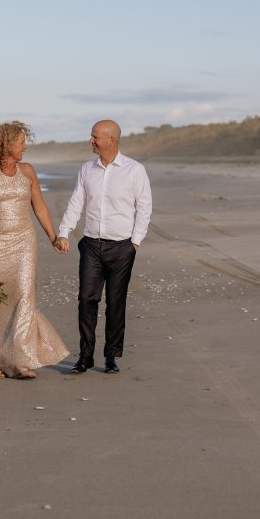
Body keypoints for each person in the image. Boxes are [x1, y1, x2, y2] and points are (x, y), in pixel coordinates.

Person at [0, 121, 70, 379]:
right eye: (21, 142)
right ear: (6, 144)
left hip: (24, 242)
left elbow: (41, 208)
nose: (25, 146)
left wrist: (53, 237)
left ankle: (21, 362)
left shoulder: (28, 171)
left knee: (25, 297)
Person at [54, 119, 152, 374]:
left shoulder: (134, 170)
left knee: (115, 303)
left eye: (95, 136)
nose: (91, 141)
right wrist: (64, 232)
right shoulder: (87, 169)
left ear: (111, 140)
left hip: (122, 247)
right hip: (91, 245)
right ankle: (85, 356)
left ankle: (111, 356)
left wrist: (135, 243)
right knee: (87, 299)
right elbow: (76, 202)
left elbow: (144, 207)